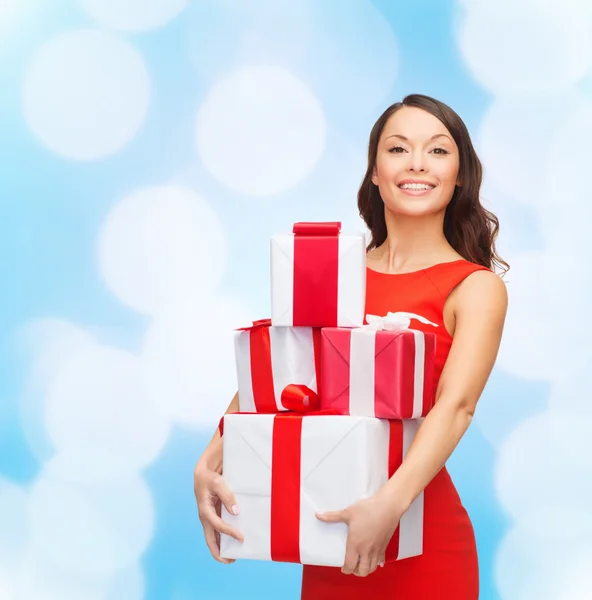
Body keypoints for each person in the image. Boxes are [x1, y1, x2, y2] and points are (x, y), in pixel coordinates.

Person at [194, 93, 509, 599]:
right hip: (330, 536)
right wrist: (212, 457)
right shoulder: (333, 273)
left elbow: (455, 407)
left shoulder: (474, 288)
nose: (417, 164)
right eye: (398, 148)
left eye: (438, 150)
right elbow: (279, 374)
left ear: (460, 176)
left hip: (424, 538)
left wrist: (388, 506)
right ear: (374, 173)